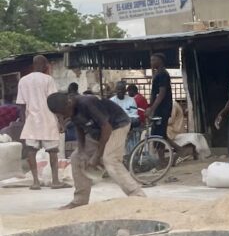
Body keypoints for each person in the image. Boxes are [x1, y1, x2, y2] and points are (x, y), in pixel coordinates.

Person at [46, 91, 145, 208]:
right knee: (76, 158)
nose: (62, 117)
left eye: (63, 113)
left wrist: (97, 155)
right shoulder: (69, 108)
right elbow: (80, 128)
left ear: (69, 103)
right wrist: (82, 151)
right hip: (97, 131)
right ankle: (80, 200)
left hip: (117, 126)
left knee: (110, 159)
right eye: (59, 115)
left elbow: (106, 128)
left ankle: (137, 195)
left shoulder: (88, 102)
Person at [15, 55, 65, 190]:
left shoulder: (23, 80)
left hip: (31, 121)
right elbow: (54, 101)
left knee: (31, 151)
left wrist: (24, 123)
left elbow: (22, 105)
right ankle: (55, 181)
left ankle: (35, 182)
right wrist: (60, 121)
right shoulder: (48, 79)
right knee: (53, 152)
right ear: (44, 65)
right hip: (48, 120)